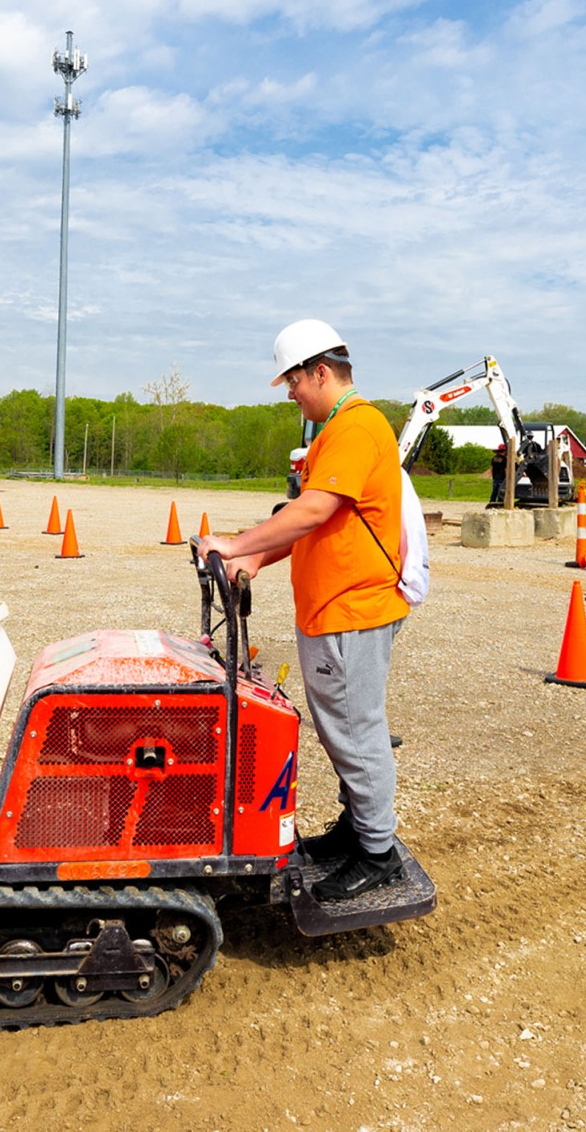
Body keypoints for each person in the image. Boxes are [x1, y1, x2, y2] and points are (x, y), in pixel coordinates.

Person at [198, 318, 408, 901]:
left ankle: (378, 851)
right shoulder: (335, 432)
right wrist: (254, 559)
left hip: (352, 609)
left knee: (355, 729)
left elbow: (313, 510)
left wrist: (233, 545)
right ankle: (357, 827)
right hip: (335, 608)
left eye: (292, 380)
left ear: (320, 372)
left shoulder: (357, 427)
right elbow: (311, 522)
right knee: (341, 728)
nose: (290, 393)